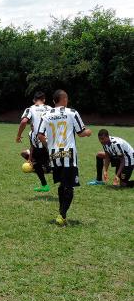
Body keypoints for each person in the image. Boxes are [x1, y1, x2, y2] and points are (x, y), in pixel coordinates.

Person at [37, 90, 91, 226]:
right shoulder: (72, 112)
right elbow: (81, 133)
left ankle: (61, 213)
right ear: (65, 99)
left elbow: (40, 135)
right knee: (69, 186)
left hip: (54, 154)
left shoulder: (46, 114)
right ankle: (62, 214)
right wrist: (89, 132)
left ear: (54, 101)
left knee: (62, 184)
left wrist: (49, 146)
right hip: (68, 153)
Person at [16, 92, 51, 192]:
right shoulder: (50, 109)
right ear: (44, 100)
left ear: (34, 100)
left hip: (40, 142)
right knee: (38, 163)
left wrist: (18, 136)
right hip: (50, 142)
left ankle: (45, 183)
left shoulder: (30, 109)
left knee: (37, 163)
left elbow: (23, 122)